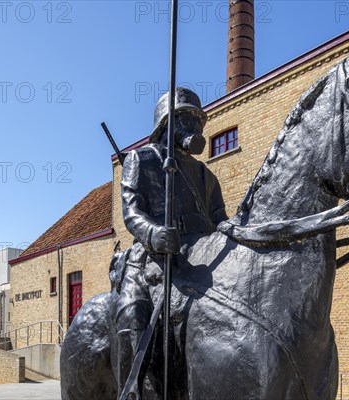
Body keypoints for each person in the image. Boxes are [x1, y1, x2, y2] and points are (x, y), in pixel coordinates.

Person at [114, 88, 228, 400]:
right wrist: (153, 233)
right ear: (167, 122)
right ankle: (132, 389)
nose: (195, 126)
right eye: (186, 117)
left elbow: (220, 218)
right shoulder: (141, 159)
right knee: (132, 314)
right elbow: (131, 212)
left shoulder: (206, 175)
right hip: (152, 261)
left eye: (198, 119)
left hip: (199, 261)